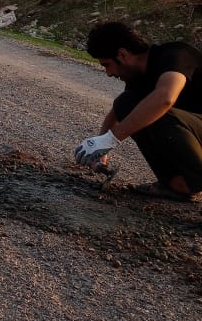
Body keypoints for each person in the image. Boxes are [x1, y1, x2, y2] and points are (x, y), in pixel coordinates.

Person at [74, 21, 202, 201]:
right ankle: (177, 184)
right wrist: (100, 149)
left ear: (122, 54)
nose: (108, 73)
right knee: (127, 104)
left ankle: (193, 179)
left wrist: (110, 139)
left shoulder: (175, 55)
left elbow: (166, 98)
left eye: (106, 65)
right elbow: (117, 113)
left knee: (158, 109)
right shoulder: (138, 77)